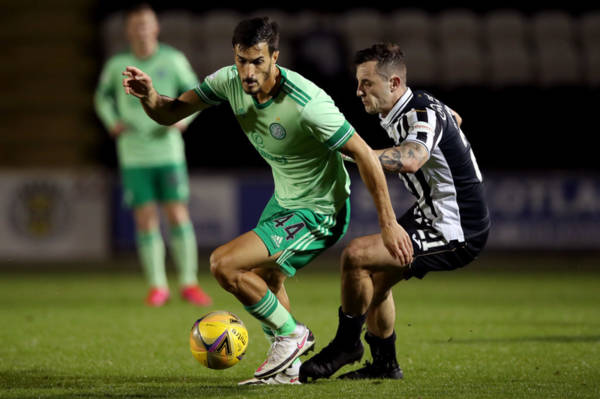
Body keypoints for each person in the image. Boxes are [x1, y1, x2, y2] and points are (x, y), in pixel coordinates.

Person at [121, 18, 412, 384]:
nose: (248, 70)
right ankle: (288, 370)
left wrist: (388, 223)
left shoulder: (307, 103)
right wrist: (149, 95)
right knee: (264, 278)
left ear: (275, 57)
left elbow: (366, 156)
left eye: (257, 61)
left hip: (319, 210)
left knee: (224, 265)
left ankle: (292, 335)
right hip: (284, 201)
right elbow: (170, 112)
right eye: (242, 60)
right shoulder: (228, 81)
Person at [300, 43, 490, 382]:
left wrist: (356, 153)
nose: (358, 91)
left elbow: (411, 159)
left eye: (367, 83)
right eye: (358, 83)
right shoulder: (416, 106)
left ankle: (346, 345)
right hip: (429, 213)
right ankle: (385, 365)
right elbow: (454, 119)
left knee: (356, 256)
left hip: (457, 228)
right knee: (372, 279)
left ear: (395, 83)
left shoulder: (420, 113)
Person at [94, 3, 212, 307]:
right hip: (133, 154)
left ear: (156, 27)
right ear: (128, 30)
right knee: (145, 220)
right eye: (136, 25)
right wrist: (112, 121)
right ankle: (158, 286)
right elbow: (102, 97)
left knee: (177, 214)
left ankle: (188, 283)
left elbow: (196, 93)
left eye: (146, 24)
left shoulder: (172, 60)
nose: (141, 29)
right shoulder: (117, 64)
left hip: (168, 152)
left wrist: (184, 119)